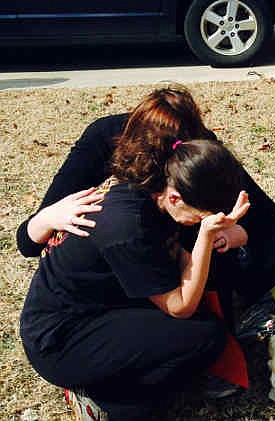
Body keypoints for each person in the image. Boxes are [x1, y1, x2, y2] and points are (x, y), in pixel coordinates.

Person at [20, 137, 250, 421]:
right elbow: (181, 306)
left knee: (203, 328)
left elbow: (182, 255)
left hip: (100, 306)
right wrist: (206, 234)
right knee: (204, 339)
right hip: (62, 340)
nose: (201, 224)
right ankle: (103, 396)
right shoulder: (128, 227)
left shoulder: (156, 187)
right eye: (201, 218)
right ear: (176, 198)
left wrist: (221, 232)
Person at [15, 88, 275, 318]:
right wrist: (49, 217)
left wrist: (235, 233)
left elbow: (266, 216)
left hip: (188, 255)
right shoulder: (104, 139)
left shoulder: (199, 152)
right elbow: (26, 243)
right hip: (129, 269)